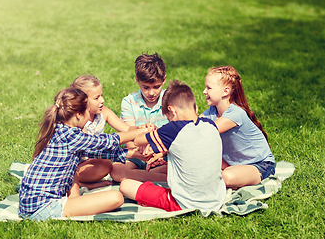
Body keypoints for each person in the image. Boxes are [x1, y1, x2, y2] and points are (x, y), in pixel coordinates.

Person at [19, 88, 147, 221]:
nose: (89, 115)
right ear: (78, 114)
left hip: (31, 204)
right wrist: (138, 132)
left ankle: (76, 201)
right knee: (116, 197)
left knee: (74, 169)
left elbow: (98, 152)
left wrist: (135, 154)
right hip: (42, 208)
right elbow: (106, 142)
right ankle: (75, 204)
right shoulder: (71, 136)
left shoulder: (61, 130)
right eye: (87, 111)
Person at [119, 80, 226, 213]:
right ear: (195, 108)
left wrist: (148, 128)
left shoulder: (173, 129)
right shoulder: (211, 125)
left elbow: (138, 141)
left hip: (184, 203)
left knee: (125, 185)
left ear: (171, 110)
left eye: (168, 118)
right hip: (217, 199)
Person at [70, 75, 153, 189]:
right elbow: (93, 150)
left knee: (111, 166)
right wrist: (132, 153)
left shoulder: (103, 112)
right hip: (78, 166)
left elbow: (127, 129)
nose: (102, 100)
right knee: (106, 165)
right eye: (96, 98)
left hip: (97, 159)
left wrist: (142, 128)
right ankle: (79, 183)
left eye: (102, 95)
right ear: (82, 101)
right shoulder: (79, 121)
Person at [201, 66, 275, 189]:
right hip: (231, 164)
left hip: (259, 165)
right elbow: (191, 129)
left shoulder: (235, 114)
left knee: (226, 177)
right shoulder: (212, 112)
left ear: (225, 91)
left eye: (208, 88)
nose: (204, 91)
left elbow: (205, 132)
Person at [110, 53, 170, 182]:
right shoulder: (129, 102)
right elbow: (128, 138)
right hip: (136, 154)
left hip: (164, 154)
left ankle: (146, 176)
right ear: (138, 80)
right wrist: (143, 152)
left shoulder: (170, 99)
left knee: (177, 166)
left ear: (164, 80)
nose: (151, 93)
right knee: (116, 169)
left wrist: (159, 152)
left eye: (156, 87)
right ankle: (153, 176)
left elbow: (175, 135)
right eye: (146, 87)